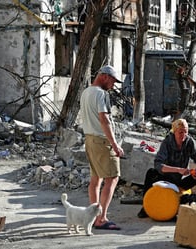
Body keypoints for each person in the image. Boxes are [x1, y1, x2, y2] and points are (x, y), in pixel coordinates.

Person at [138, 119, 196, 218]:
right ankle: (146, 207)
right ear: (174, 131)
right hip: (167, 179)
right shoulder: (167, 142)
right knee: (151, 172)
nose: (183, 135)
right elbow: (158, 165)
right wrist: (178, 169)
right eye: (180, 132)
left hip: (181, 181)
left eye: (186, 131)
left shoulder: (189, 141)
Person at [80, 65, 125, 230]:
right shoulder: (101, 94)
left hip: (89, 139)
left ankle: (94, 216)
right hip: (102, 142)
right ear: (105, 76)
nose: (113, 85)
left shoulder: (86, 92)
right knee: (112, 178)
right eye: (113, 80)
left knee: (95, 179)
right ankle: (101, 218)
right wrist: (115, 145)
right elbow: (104, 120)